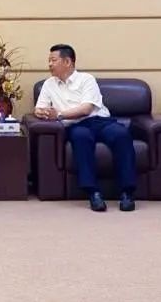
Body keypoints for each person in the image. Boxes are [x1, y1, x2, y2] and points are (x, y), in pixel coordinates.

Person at [34, 44, 136, 212]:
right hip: (75, 125)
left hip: (100, 121)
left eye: (53, 60)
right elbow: (39, 108)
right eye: (49, 60)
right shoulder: (48, 84)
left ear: (67, 62)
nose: (49, 64)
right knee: (81, 138)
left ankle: (127, 193)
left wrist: (58, 115)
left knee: (121, 134)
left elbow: (86, 109)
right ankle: (93, 193)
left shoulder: (86, 79)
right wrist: (41, 112)